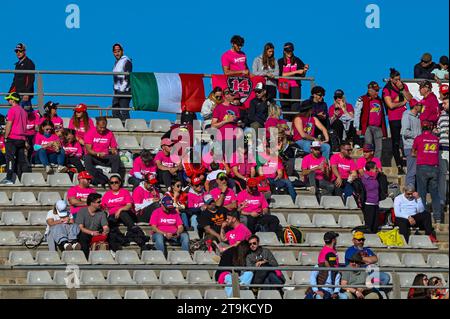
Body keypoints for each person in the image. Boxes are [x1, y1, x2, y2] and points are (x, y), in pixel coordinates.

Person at [382, 68, 413, 175]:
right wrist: (402, 102)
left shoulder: (403, 86)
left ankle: (407, 161)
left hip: (405, 117)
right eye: (396, 80)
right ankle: (399, 165)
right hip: (394, 118)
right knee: (395, 142)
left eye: (399, 79)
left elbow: (410, 98)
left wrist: (402, 89)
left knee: (406, 139)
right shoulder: (387, 89)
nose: (398, 81)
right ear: (391, 79)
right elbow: (390, 105)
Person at [412, 120, 442, 224]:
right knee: (435, 194)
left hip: (422, 167)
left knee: (422, 194)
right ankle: (438, 218)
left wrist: (420, 154)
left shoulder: (418, 138)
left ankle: (424, 218)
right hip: (434, 167)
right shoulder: (436, 139)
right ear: (430, 128)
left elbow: (412, 153)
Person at [0, 92, 28, 185]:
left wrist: (6, 136)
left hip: (12, 138)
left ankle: (9, 178)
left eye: (9, 99)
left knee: (10, 158)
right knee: (21, 160)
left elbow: (9, 124)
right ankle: (23, 178)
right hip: (22, 138)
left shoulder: (12, 110)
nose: (8, 101)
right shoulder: (24, 111)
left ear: (13, 100)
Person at [84, 116, 121, 186]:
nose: (102, 129)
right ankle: (96, 176)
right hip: (94, 156)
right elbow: (88, 150)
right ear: (97, 125)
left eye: (104, 127)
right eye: (100, 127)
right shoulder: (90, 132)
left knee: (116, 157)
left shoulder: (109, 133)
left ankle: (113, 177)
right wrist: (98, 154)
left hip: (104, 156)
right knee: (87, 157)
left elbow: (113, 147)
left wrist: (114, 151)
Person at [354, 81, 387, 158]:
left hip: (378, 127)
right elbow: (357, 113)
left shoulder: (380, 100)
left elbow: (382, 116)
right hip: (367, 127)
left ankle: (377, 164)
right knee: (368, 146)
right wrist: (357, 128)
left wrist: (384, 131)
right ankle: (369, 164)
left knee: (379, 148)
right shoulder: (362, 99)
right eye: (376, 90)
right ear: (370, 90)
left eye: (378, 90)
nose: (377, 92)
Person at [75, 193, 110, 258]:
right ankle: (85, 258)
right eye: (98, 202)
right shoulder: (82, 211)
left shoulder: (101, 213)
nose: (100, 203)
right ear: (92, 203)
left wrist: (106, 231)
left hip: (97, 233)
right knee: (83, 236)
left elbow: (105, 227)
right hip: (85, 233)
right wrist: (92, 233)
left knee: (111, 235)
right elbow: (81, 228)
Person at [278, 42, 309, 113]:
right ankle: (286, 122)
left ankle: (295, 122)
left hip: (295, 85)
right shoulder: (280, 61)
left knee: (295, 107)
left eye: (291, 50)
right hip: (283, 85)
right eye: (287, 51)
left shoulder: (297, 60)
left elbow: (302, 75)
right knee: (285, 106)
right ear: (284, 51)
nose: (289, 52)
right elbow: (281, 75)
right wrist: (296, 72)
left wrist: (305, 70)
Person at [401, 101, 422, 186]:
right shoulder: (407, 115)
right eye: (420, 105)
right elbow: (405, 132)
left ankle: (415, 191)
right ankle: (409, 193)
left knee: (417, 172)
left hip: (417, 147)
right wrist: (418, 136)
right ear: (415, 106)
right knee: (411, 172)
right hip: (410, 147)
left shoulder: (417, 117)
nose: (422, 107)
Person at [9, 43, 35, 108]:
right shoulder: (17, 64)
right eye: (16, 51)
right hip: (17, 95)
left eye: (20, 51)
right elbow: (15, 81)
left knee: (26, 115)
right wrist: (9, 94)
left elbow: (30, 80)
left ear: (24, 51)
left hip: (24, 96)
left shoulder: (29, 63)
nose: (18, 53)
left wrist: (27, 93)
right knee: (18, 115)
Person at [112, 43, 132, 122]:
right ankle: (120, 126)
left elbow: (128, 75)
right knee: (115, 110)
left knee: (124, 111)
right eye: (115, 51)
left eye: (118, 51)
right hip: (117, 91)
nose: (117, 53)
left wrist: (123, 88)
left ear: (122, 51)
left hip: (125, 90)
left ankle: (127, 128)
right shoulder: (117, 62)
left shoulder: (126, 60)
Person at [360, 161, 381, 233]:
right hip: (368, 204)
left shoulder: (375, 177)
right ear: (371, 169)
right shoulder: (364, 179)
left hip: (376, 203)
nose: (377, 170)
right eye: (375, 168)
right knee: (369, 225)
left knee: (375, 226)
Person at [437, 96, 449, 213]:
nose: (443, 106)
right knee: (442, 177)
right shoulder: (442, 116)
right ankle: (441, 201)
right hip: (443, 148)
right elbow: (438, 129)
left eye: (445, 103)